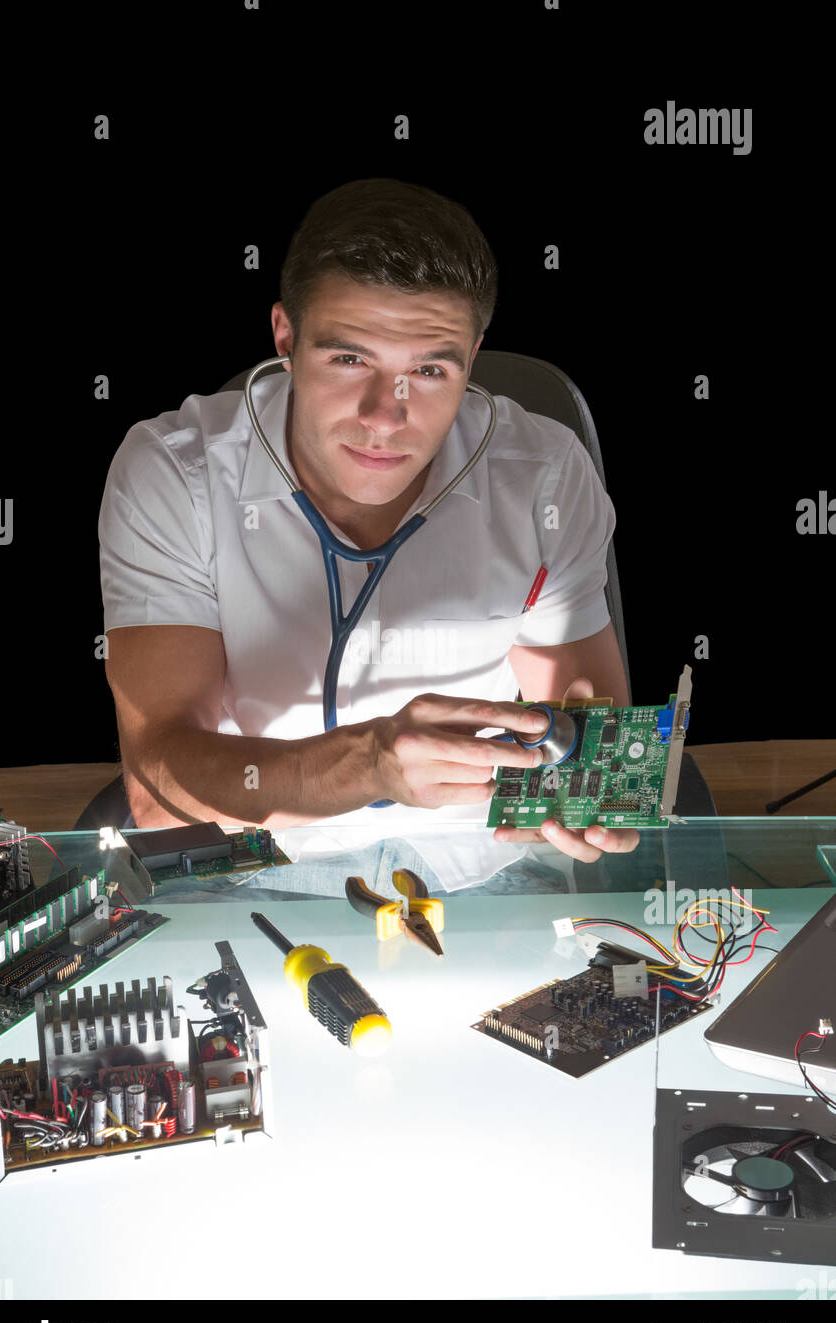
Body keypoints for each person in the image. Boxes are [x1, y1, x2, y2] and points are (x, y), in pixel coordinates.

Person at [98, 178, 638, 883]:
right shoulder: (175, 474)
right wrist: (370, 765)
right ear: (285, 337)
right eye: (349, 359)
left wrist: (590, 795)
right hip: (255, 859)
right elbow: (162, 791)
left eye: (429, 368)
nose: (386, 415)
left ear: (472, 358)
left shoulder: (544, 477)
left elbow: (585, 731)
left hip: (485, 868)